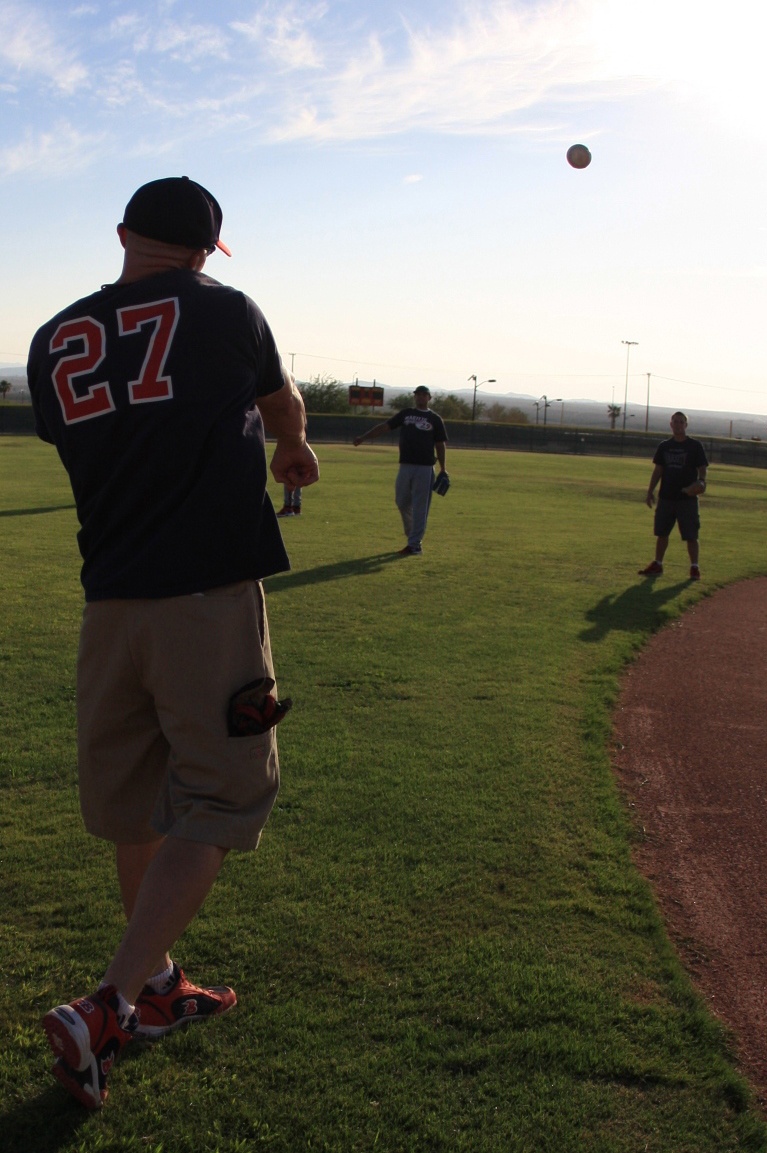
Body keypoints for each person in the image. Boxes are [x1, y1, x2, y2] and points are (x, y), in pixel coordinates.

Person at [26, 176, 319, 1109]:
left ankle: (157, 988)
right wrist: (292, 449)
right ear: (204, 250)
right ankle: (106, 1004)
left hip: (108, 601)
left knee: (141, 805)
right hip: (207, 596)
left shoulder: (52, 337)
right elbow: (281, 406)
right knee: (222, 797)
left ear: (124, 235)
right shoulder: (227, 310)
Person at [353, 385, 447, 556]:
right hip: (405, 465)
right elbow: (385, 426)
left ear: (429, 398)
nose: (419, 397)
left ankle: (415, 544)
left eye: (423, 395)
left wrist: (443, 468)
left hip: (425, 467)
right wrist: (364, 437)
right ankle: (412, 535)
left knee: (420, 506)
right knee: (401, 501)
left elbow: (440, 444)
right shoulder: (406, 414)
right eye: (417, 395)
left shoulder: (435, 419)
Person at [639, 411, 708, 580]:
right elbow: (658, 471)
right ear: (671, 424)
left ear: (686, 425)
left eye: (681, 422)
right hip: (666, 497)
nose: (678, 424)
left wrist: (701, 482)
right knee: (662, 533)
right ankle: (658, 564)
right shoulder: (664, 446)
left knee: (691, 535)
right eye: (675, 421)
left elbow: (702, 468)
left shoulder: (694, 446)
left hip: (687, 499)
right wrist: (650, 491)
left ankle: (694, 567)